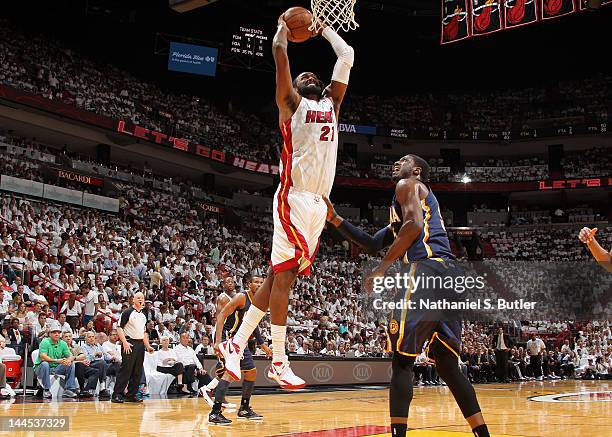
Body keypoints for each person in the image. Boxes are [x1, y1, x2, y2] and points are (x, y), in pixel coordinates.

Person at [217, 13, 354, 390]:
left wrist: (324, 29)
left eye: (313, 75)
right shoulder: (290, 104)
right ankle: (278, 360)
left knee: (280, 274)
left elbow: (348, 54)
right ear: (294, 85)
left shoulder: (332, 106)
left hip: (318, 205)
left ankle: (236, 342)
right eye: (301, 74)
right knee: (286, 276)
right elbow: (279, 51)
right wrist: (282, 25)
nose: (307, 75)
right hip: (292, 199)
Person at [324, 155, 490, 437]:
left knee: (402, 360)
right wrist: (335, 219)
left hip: (425, 271)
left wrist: (381, 270)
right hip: (449, 277)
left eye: (402, 160)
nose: (394, 163)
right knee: (448, 366)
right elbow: (374, 242)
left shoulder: (407, 183)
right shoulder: (410, 204)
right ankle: (483, 434)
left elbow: (412, 228)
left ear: (416, 170)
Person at [208, 274, 272, 425]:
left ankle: (244, 408)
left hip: (240, 340)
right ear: (249, 284)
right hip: (228, 338)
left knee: (251, 371)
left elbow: (253, 325)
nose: (259, 284)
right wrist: (218, 341)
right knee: (229, 373)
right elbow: (222, 315)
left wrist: (263, 346)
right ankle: (215, 413)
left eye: (261, 282)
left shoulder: (258, 301)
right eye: (256, 282)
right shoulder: (241, 297)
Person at [111, 292, 154, 403]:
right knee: (126, 370)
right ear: (133, 300)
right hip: (129, 343)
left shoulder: (143, 314)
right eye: (138, 298)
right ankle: (117, 394)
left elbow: (144, 332)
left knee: (137, 371)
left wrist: (148, 346)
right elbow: (119, 328)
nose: (140, 299)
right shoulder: (127, 312)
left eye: (142, 298)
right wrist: (124, 342)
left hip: (140, 345)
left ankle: (131, 395)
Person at [33, 323, 78, 399]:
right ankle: (46, 390)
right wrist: (57, 361)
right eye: (54, 332)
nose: (57, 334)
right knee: (45, 364)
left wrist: (69, 360)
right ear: (49, 334)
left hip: (56, 368)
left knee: (71, 364)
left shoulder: (63, 343)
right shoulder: (45, 342)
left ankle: (69, 389)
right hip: (41, 368)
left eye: (58, 332)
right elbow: (43, 357)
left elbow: (70, 355)